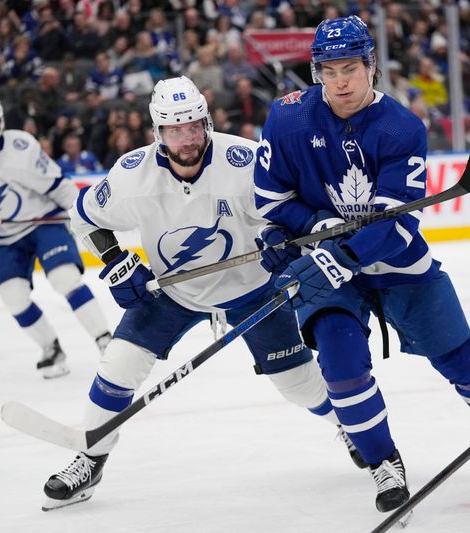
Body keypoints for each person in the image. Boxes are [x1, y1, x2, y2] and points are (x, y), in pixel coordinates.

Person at [254, 16, 470, 515]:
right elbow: (270, 199)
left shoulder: (401, 127)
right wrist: (310, 230)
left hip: (396, 263)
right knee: (340, 365)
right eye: (328, 70)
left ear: (371, 67)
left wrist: (349, 255)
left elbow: (396, 224)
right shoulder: (287, 118)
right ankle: (382, 460)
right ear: (315, 72)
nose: (340, 82)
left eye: (351, 68)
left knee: (460, 355)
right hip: (322, 261)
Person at [42, 76, 363, 511]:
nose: (188, 138)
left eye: (194, 125)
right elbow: (85, 216)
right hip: (172, 291)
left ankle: (349, 423)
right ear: (158, 132)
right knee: (118, 365)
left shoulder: (245, 159)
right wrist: (115, 259)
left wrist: (278, 236)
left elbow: (290, 209)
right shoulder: (132, 174)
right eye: (175, 130)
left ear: (207, 121)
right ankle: (90, 457)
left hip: (252, 288)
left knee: (298, 385)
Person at [0, 94, 112, 379]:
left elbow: (58, 184)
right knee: (12, 295)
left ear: (1, 124)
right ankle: (51, 348)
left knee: (64, 278)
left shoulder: (22, 147)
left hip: (45, 223)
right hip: (7, 235)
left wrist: (83, 212)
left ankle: (106, 341)